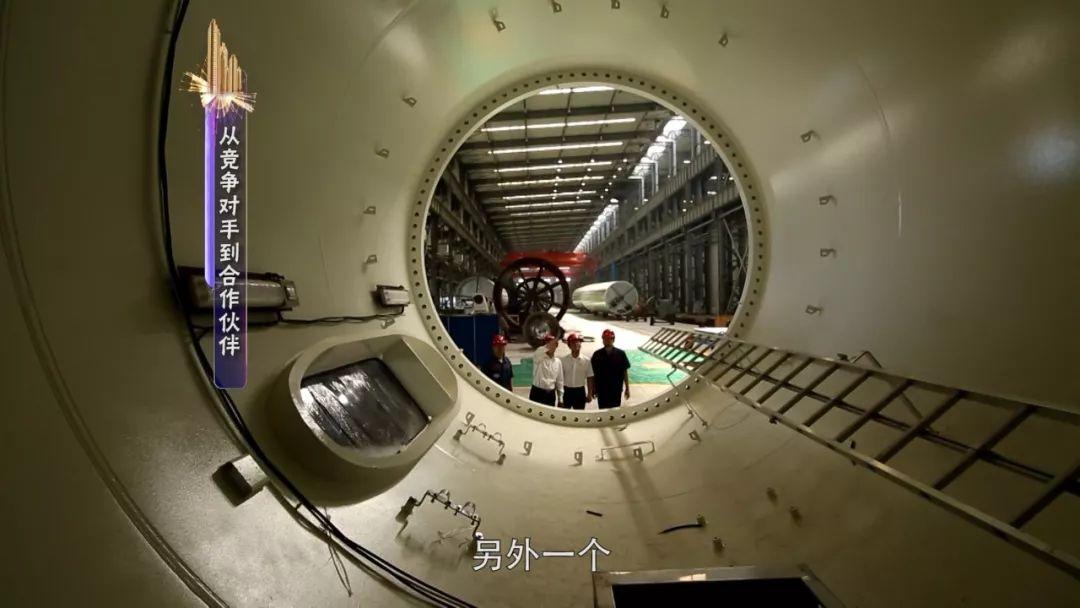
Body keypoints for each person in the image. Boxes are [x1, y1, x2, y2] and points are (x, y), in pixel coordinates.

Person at [590, 329, 630, 409]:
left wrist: (627, 388)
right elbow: (593, 373)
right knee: (602, 411)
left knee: (614, 411)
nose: (607, 341)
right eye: (605, 338)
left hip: (615, 389)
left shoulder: (621, 354)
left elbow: (624, 372)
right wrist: (593, 388)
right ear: (602, 340)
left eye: (609, 339)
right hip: (601, 389)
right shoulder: (597, 354)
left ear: (613, 340)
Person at [559, 334, 594, 410]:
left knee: (579, 415)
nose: (575, 344)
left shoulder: (586, 361)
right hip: (566, 391)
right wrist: (560, 396)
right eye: (573, 343)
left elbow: (590, 377)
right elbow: (560, 379)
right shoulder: (563, 360)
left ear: (580, 344)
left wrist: (590, 394)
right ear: (569, 346)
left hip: (580, 392)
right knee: (565, 414)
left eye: (577, 342)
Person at [529, 333, 563, 407]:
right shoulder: (538, 357)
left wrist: (560, 398)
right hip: (537, 392)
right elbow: (540, 350)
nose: (549, 346)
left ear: (556, 346)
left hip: (550, 394)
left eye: (552, 344)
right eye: (546, 343)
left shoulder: (558, 362)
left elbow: (559, 381)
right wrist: (550, 344)